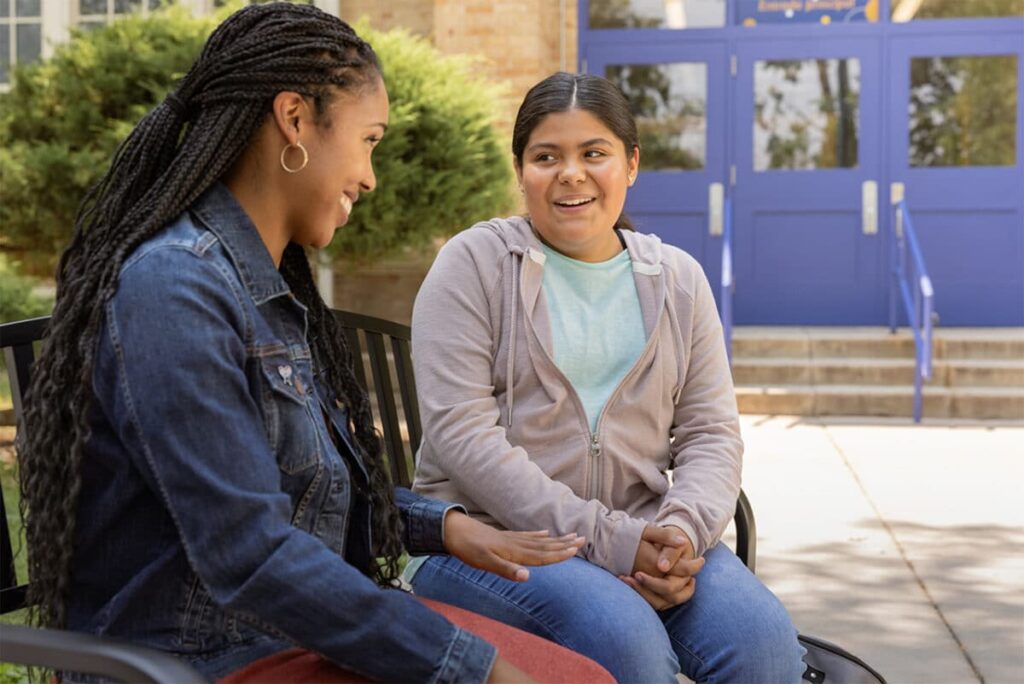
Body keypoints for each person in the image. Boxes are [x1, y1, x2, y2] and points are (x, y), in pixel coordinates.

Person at [15, 6, 605, 683]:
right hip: (195, 662)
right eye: (369, 140)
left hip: (275, 640)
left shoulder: (264, 292)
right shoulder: (173, 289)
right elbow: (251, 553)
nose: (371, 176)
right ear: (295, 120)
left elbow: (293, 492)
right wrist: (471, 667)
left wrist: (442, 526)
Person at [407, 71, 808, 683]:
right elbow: (463, 436)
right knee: (627, 644)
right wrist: (608, 542)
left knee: (765, 646)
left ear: (631, 165)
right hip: (491, 540)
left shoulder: (678, 279)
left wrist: (679, 535)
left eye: (594, 153)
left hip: (647, 535)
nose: (571, 174)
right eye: (547, 157)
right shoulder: (474, 265)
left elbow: (711, 433)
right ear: (521, 171)